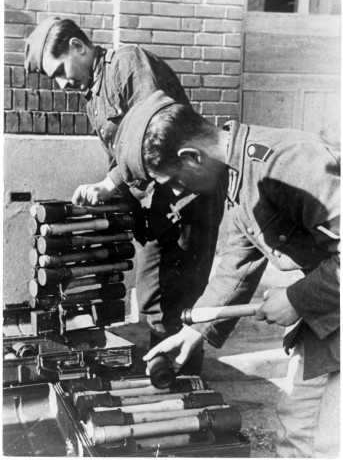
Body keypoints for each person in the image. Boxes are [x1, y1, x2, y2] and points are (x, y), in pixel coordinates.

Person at [113, 90, 340, 458]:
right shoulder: (237, 178)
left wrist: (297, 299)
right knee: (297, 435)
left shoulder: (288, 163)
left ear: (190, 157)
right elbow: (235, 265)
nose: (174, 192)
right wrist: (193, 331)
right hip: (327, 316)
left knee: (322, 442)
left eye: (171, 181)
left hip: (330, 310)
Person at [24, 18, 227, 373]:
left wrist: (109, 184)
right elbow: (119, 158)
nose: (61, 83)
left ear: (78, 46)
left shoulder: (128, 63)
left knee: (183, 298)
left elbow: (154, 132)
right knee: (151, 299)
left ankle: (185, 385)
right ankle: (164, 373)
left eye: (59, 71)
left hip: (188, 194)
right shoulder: (94, 97)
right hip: (157, 207)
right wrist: (114, 199)